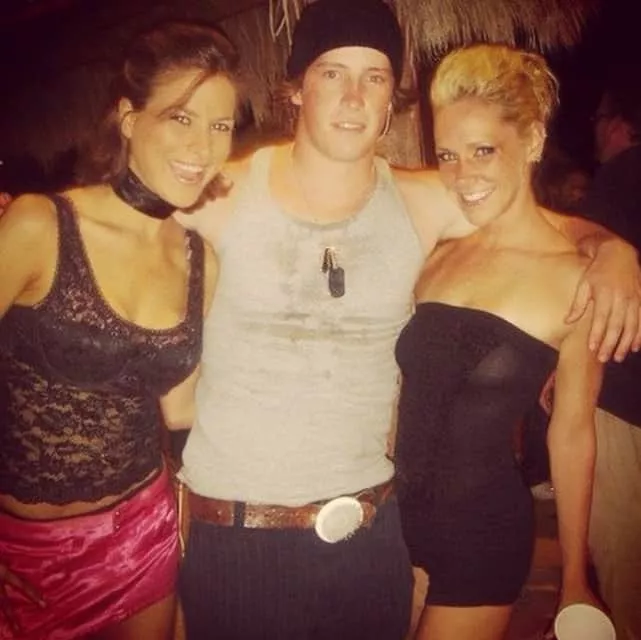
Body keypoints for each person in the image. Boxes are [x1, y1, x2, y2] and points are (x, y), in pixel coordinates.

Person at [175, 2, 641, 638]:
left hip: (376, 536)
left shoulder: (419, 206)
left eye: (374, 77)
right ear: (296, 88)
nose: (353, 96)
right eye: (332, 73)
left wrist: (613, 249)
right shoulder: (218, 196)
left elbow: (529, 223)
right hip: (261, 535)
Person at [0, 21, 238, 640]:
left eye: (220, 126)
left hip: (140, 539)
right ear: (130, 119)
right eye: (181, 118)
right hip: (22, 551)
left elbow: (182, 409)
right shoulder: (39, 225)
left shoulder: (201, 261)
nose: (204, 145)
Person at [394, 44, 606, 640]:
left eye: (483, 150)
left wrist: (574, 577)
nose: (462, 176)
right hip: (395, 525)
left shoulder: (575, 279)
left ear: (532, 140)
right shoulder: (436, 255)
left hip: (482, 535)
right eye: (448, 155)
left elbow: (572, 433)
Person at [581, 70, 641, 640]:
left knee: (624, 558)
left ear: (622, 125)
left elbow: (583, 275)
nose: (594, 130)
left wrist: (565, 365)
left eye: (600, 118)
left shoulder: (621, 175)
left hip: (620, 393)